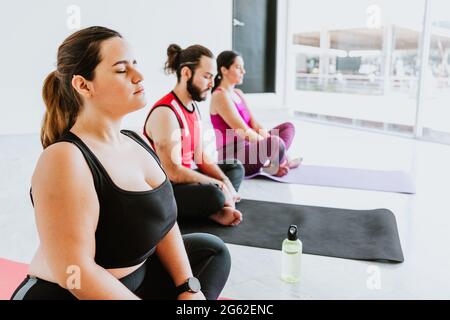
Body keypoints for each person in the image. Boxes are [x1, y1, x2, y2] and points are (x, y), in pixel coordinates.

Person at [11, 27, 230, 300]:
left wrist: (187, 287)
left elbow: (164, 219)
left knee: (211, 250)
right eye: (121, 70)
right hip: (69, 294)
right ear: (83, 85)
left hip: (133, 281)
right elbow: (76, 274)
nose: (138, 76)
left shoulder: (134, 140)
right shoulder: (65, 158)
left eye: (135, 64)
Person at [144, 44, 244, 227]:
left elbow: (199, 155)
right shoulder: (166, 112)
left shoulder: (193, 107)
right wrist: (217, 185)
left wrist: (224, 180)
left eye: (213, 78)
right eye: (207, 77)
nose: (212, 84)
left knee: (234, 168)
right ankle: (217, 207)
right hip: (166, 190)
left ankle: (220, 204)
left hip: (185, 181)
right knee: (214, 193)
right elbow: (173, 172)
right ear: (186, 73)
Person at [210, 51, 302, 177]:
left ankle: (279, 162)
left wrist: (268, 143)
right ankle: (281, 162)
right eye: (238, 67)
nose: (243, 71)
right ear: (224, 70)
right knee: (275, 142)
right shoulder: (220, 96)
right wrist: (270, 144)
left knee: (288, 127)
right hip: (233, 157)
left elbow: (255, 124)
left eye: (243, 67)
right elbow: (243, 131)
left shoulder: (238, 93)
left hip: (250, 147)